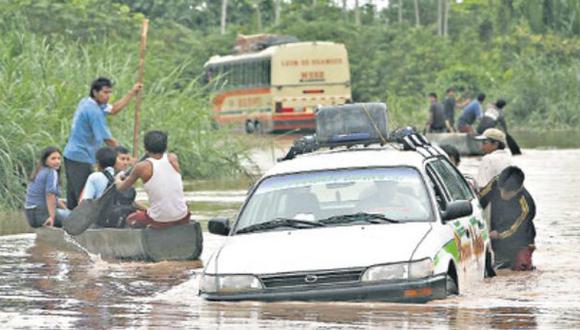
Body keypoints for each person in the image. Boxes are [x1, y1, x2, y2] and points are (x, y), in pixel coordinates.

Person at [63, 77, 142, 210]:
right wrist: (126, 157)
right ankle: (79, 224)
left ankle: (72, 218)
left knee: (76, 193)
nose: (108, 96)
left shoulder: (89, 102)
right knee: (83, 195)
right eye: (105, 92)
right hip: (80, 156)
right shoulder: (94, 111)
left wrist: (132, 93)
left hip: (73, 154)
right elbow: (108, 140)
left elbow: (114, 109)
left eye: (109, 92)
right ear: (95, 92)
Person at [115, 131, 190, 229]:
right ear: (165, 146)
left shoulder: (141, 167)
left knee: (131, 219)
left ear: (145, 148)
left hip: (159, 220)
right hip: (183, 216)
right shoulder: (173, 158)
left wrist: (117, 178)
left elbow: (121, 188)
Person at [479, 166, 536, 270]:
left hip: (521, 239)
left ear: (518, 189)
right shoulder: (496, 182)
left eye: (507, 193)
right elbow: (480, 199)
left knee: (522, 271)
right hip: (496, 235)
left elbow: (517, 228)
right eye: (501, 191)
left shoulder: (525, 204)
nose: (503, 195)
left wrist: (499, 233)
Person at [24, 147, 70, 228]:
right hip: (42, 215)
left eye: (59, 158)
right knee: (78, 218)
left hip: (30, 216)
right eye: (53, 159)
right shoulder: (51, 172)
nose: (57, 161)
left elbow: (54, 198)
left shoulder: (38, 170)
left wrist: (66, 209)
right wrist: (51, 217)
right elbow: (50, 196)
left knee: (66, 206)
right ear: (45, 160)